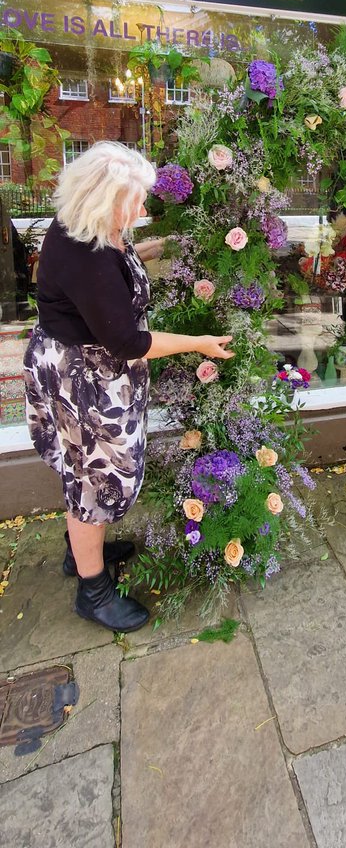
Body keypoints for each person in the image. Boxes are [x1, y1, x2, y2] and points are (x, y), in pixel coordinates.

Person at [23, 142, 233, 633]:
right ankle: (92, 592)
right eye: (135, 200)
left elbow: (115, 276)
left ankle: (84, 554)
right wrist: (199, 343)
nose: (143, 209)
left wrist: (159, 248)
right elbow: (127, 341)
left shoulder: (93, 228)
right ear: (103, 201)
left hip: (93, 371)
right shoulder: (87, 256)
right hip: (85, 380)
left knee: (85, 473)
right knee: (93, 481)